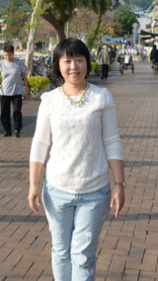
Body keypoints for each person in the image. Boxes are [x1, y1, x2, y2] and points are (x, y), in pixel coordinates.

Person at [28, 38, 125, 281]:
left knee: (83, 255)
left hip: (95, 191)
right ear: (58, 65)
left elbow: (112, 141)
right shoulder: (49, 100)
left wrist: (119, 184)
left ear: (87, 63)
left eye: (79, 60)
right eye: (67, 60)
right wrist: (33, 184)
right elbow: (40, 144)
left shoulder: (102, 97)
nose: (74, 66)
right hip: (57, 191)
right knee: (61, 251)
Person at [0, 44, 29, 137]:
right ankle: (7, 130)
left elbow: (25, 76)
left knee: (16, 111)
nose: (7, 57)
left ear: (13, 54)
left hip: (17, 92)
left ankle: (17, 129)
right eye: (5, 55)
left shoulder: (19, 63)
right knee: (4, 113)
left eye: (9, 54)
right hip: (5, 92)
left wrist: (26, 90)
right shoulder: (1, 63)